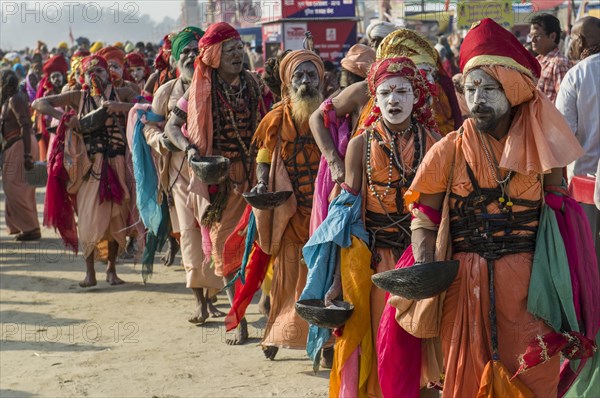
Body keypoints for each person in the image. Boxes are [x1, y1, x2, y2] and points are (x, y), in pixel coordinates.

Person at [398, 18, 584, 397]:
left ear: (513, 91)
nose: (477, 99)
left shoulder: (545, 152)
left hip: (534, 291)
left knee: (534, 377)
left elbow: (559, 219)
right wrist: (424, 261)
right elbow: (425, 217)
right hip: (464, 288)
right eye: (471, 89)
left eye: (489, 88)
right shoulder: (447, 150)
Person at [339, 57, 440, 397]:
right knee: (384, 341)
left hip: (423, 257)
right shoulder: (359, 146)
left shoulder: (436, 143)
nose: (394, 100)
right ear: (375, 99)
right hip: (377, 263)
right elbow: (346, 213)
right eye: (385, 93)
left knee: (425, 340)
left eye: (402, 91)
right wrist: (334, 279)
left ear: (417, 97)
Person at [165, 22, 264, 345]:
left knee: (268, 243)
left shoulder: (255, 85)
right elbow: (171, 128)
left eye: (240, 48)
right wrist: (189, 148)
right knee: (227, 248)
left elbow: (276, 115)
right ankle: (237, 316)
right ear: (214, 56)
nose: (238, 55)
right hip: (221, 183)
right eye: (230, 50)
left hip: (259, 175)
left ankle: (267, 304)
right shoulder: (198, 89)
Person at [32, 54, 138, 287]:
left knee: (116, 219)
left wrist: (121, 107)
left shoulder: (122, 92)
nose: (95, 76)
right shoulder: (78, 96)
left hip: (118, 163)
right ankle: (90, 273)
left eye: (99, 71)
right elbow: (38, 103)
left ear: (107, 74)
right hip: (89, 167)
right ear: (84, 77)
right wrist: (66, 117)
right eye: (90, 73)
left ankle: (111, 270)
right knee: (89, 219)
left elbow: (148, 105)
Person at [143, 26, 224, 324]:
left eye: (195, 50)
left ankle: (214, 296)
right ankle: (200, 302)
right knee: (190, 237)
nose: (191, 56)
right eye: (185, 52)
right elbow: (149, 127)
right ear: (176, 59)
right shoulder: (166, 92)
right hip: (179, 175)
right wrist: (160, 140)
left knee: (217, 235)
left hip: (217, 174)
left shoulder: (219, 85)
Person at [249, 49, 324, 360]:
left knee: (322, 275)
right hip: (290, 210)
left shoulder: (332, 115)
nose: (305, 81)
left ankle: (324, 340)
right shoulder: (276, 119)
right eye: (299, 76)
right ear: (288, 82)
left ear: (322, 79)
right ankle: (277, 333)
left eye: (311, 75)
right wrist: (262, 184)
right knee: (288, 275)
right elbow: (264, 159)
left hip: (323, 211)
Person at [556, 16, 600, 262]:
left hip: (584, 180)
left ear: (579, 40)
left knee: (587, 255)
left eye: (571, 37)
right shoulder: (575, 73)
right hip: (586, 180)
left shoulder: (576, 75)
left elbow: (563, 134)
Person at [1, 68, 40, 241]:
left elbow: (24, 125)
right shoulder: (9, 100)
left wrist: (26, 155)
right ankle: (24, 226)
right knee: (19, 187)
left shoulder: (15, 99)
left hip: (21, 144)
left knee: (15, 188)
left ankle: (31, 228)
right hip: (16, 145)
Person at [34, 54, 68, 161]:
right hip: (53, 132)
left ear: (63, 76)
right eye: (53, 77)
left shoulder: (69, 91)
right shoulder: (47, 95)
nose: (56, 79)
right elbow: (45, 117)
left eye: (58, 76)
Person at [529, 14, 570, 103]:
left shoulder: (559, 63)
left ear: (552, 36)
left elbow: (564, 101)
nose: (532, 40)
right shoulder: (537, 61)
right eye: (531, 35)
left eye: (536, 35)